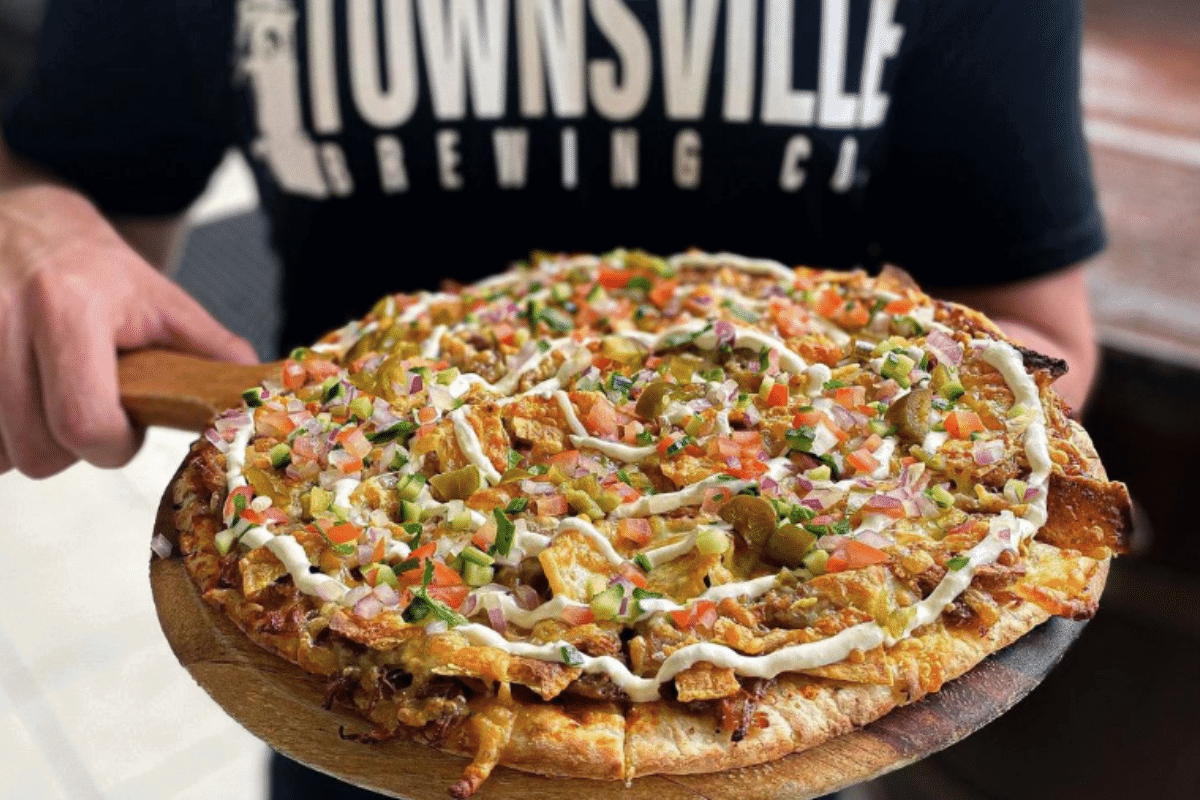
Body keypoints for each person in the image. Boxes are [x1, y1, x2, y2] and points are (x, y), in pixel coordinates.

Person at [0, 0, 1103, 797]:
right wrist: (31, 225)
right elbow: (66, 184)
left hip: (782, 701)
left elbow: (1035, 337)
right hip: (360, 651)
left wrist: (907, 485)